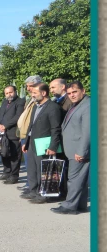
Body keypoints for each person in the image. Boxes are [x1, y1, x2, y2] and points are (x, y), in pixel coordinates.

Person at [21, 83, 63, 204]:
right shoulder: (36, 106)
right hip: (33, 143)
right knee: (32, 169)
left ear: (43, 93)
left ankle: (43, 194)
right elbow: (31, 126)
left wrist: (53, 146)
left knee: (42, 170)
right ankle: (33, 191)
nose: (32, 95)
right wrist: (27, 142)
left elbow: (55, 128)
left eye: (35, 93)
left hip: (44, 144)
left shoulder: (52, 107)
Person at [52, 81, 89, 215]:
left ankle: (69, 206)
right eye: (69, 93)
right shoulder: (76, 105)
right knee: (80, 179)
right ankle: (80, 205)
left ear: (83, 91)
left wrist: (81, 151)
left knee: (73, 178)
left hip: (78, 150)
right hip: (73, 149)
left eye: (75, 92)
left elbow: (88, 131)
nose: (72, 95)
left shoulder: (88, 105)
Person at [0, 84, 24, 184]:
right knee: (4, 153)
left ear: (15, 91)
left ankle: (14, 176)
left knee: (14, 156)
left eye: (10, 92)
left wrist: (5, 125)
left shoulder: (20, 102)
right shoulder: (4, 102)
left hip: (13, 132)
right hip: (2, 133)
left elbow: (18, 116)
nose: (9, 95)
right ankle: (6, 172)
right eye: (6, 93)